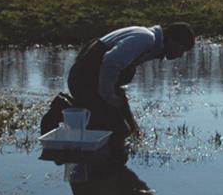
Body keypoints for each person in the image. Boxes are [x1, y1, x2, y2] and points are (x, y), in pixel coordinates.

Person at [67, 22, 195, 144]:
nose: (180, 55)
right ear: (173, 41)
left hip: (93, 80)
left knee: (130, 129)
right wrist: (108, 95)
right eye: (181, 49)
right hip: (84, 83)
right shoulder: (146, 39)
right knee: (120, 131)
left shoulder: (151, 41)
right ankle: (65, 112)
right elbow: (110, 61)